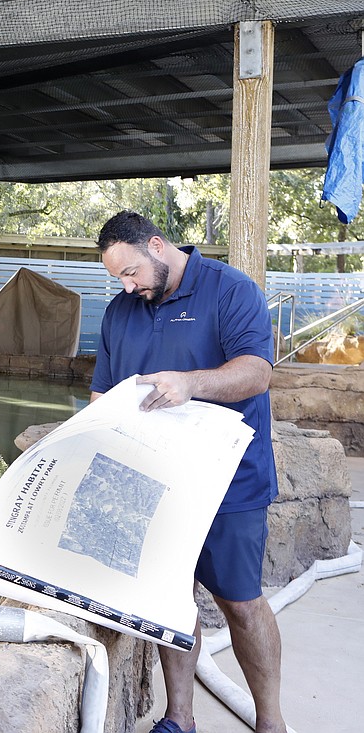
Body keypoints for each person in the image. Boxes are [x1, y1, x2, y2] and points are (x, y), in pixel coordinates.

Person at [89, 210, 286, 733]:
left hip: (229, 482)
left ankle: (270, 721)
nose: (127, 287)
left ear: (157, 245)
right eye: (118, 279)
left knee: (240, 604)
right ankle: (179, 719)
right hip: (153, 484)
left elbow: (257, 373)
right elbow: (101, 393)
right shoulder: (120, 311)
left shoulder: (230, 290)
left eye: (131, 273)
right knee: (171, 600)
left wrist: (190, 383)